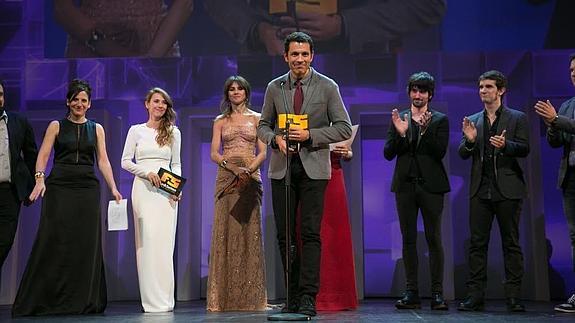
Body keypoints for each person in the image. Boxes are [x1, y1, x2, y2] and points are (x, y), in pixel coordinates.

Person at [257, 32, 352, 317]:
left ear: (312, 56)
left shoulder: (327, 86)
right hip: (282, 168)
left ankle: (309, 295)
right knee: (285, 237)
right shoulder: (275, 87)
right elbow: (263, 126)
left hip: (313, 168)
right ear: (285, 56)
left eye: (304, 54)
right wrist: (276, 140)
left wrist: (310, 135)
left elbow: (344, 128)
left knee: (310, 234)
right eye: (294, 54)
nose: (299, 59)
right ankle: (292, 295)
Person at [12, 79, 123, 316]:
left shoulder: (97, 128)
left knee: (85, 243)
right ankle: (47, 300)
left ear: (89, 104)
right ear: (68, 101)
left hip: (87, 189)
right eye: (75, 99)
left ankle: (82, 300)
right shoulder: (56, 126)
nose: (79, 104)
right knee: (55, 240)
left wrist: (113, 187)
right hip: (60, 186)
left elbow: (102, 160)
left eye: (84, 100)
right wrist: (40, 178)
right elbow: (43, 154)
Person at [457, 70, 529, 312]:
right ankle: (475, 295)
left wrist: (506, 145)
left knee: (511, 243)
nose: (483, 91)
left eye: (488, 86)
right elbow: (462, 153)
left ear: (501, 90)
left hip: (508, 189)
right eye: (480, 87)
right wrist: (469, 141)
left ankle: (513, 296)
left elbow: (525, 148)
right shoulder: (474, 120)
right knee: (477, 244)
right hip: (481, 190)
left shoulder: (517, 118)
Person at [383, 72, 450, 310]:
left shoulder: (440, 120)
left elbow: (439, 152)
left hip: (431, 187)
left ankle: (437, 293)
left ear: (430, 94)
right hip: (405, 187)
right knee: (408, 239)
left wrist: (424, 132)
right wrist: (401, 134)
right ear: (409, 92)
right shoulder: (399, 118)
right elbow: (388, 153)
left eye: (422, 91)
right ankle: (411, 291)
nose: (418, 95)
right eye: (414, 90)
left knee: (434, 239)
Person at [207, 75, 267, 312]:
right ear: (227, 94)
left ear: (246, 92)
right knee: (226, 232)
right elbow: (214, 152)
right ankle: (223, 298)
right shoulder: (220, 121)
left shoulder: (258, 118)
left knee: (249, 233)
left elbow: (262, 152)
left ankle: (250, 298)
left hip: (250, 178)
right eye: (231, 89)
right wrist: (232, 168)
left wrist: (248, 170)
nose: (235, 92)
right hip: (227, 179)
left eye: (239, 88)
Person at [121, 87, 181, 312]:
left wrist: (177, 187)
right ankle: (151, 302)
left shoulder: (173, 132)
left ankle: (166, 301)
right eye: (156, 101)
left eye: (164, 103)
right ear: (147, 104)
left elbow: (175, 163)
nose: (160, 106)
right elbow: (125, 161)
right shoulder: (136, 131)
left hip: (166, 191)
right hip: (144, 190)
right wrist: (146, 173)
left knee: (165, 246)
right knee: (147, 244)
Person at [205, 0, 446, 55]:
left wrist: (345, 25)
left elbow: (428, 5)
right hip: (266, 61)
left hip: (358, 63)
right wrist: (257, 30)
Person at [534, 53, 575, 313]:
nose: (573, 73)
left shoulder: (563, 112)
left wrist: (556, 119)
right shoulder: (567, 104)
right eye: (571, 69)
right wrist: (551, 124)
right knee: (574, 237)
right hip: (570, 177)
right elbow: (556, 141)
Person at [53, 0, 194, 57]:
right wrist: (102, 43)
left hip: (158, 46)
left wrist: (151, 58)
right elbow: (62, 8)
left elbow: (184, 3)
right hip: (91, 50)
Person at [0, 80, 38, 293]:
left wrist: (31, 186)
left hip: (8, 194)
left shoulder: (18, 122)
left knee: (4, 243)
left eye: (1, 94)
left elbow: (32, 155)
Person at [316, 145, 358, 311]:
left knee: (336, 235)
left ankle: (339, 296)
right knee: (313, 233)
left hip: (334, 173)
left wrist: (346, 153)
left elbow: (349, 152)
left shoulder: (338, 119)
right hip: (309, 174)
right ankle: (311, 295)